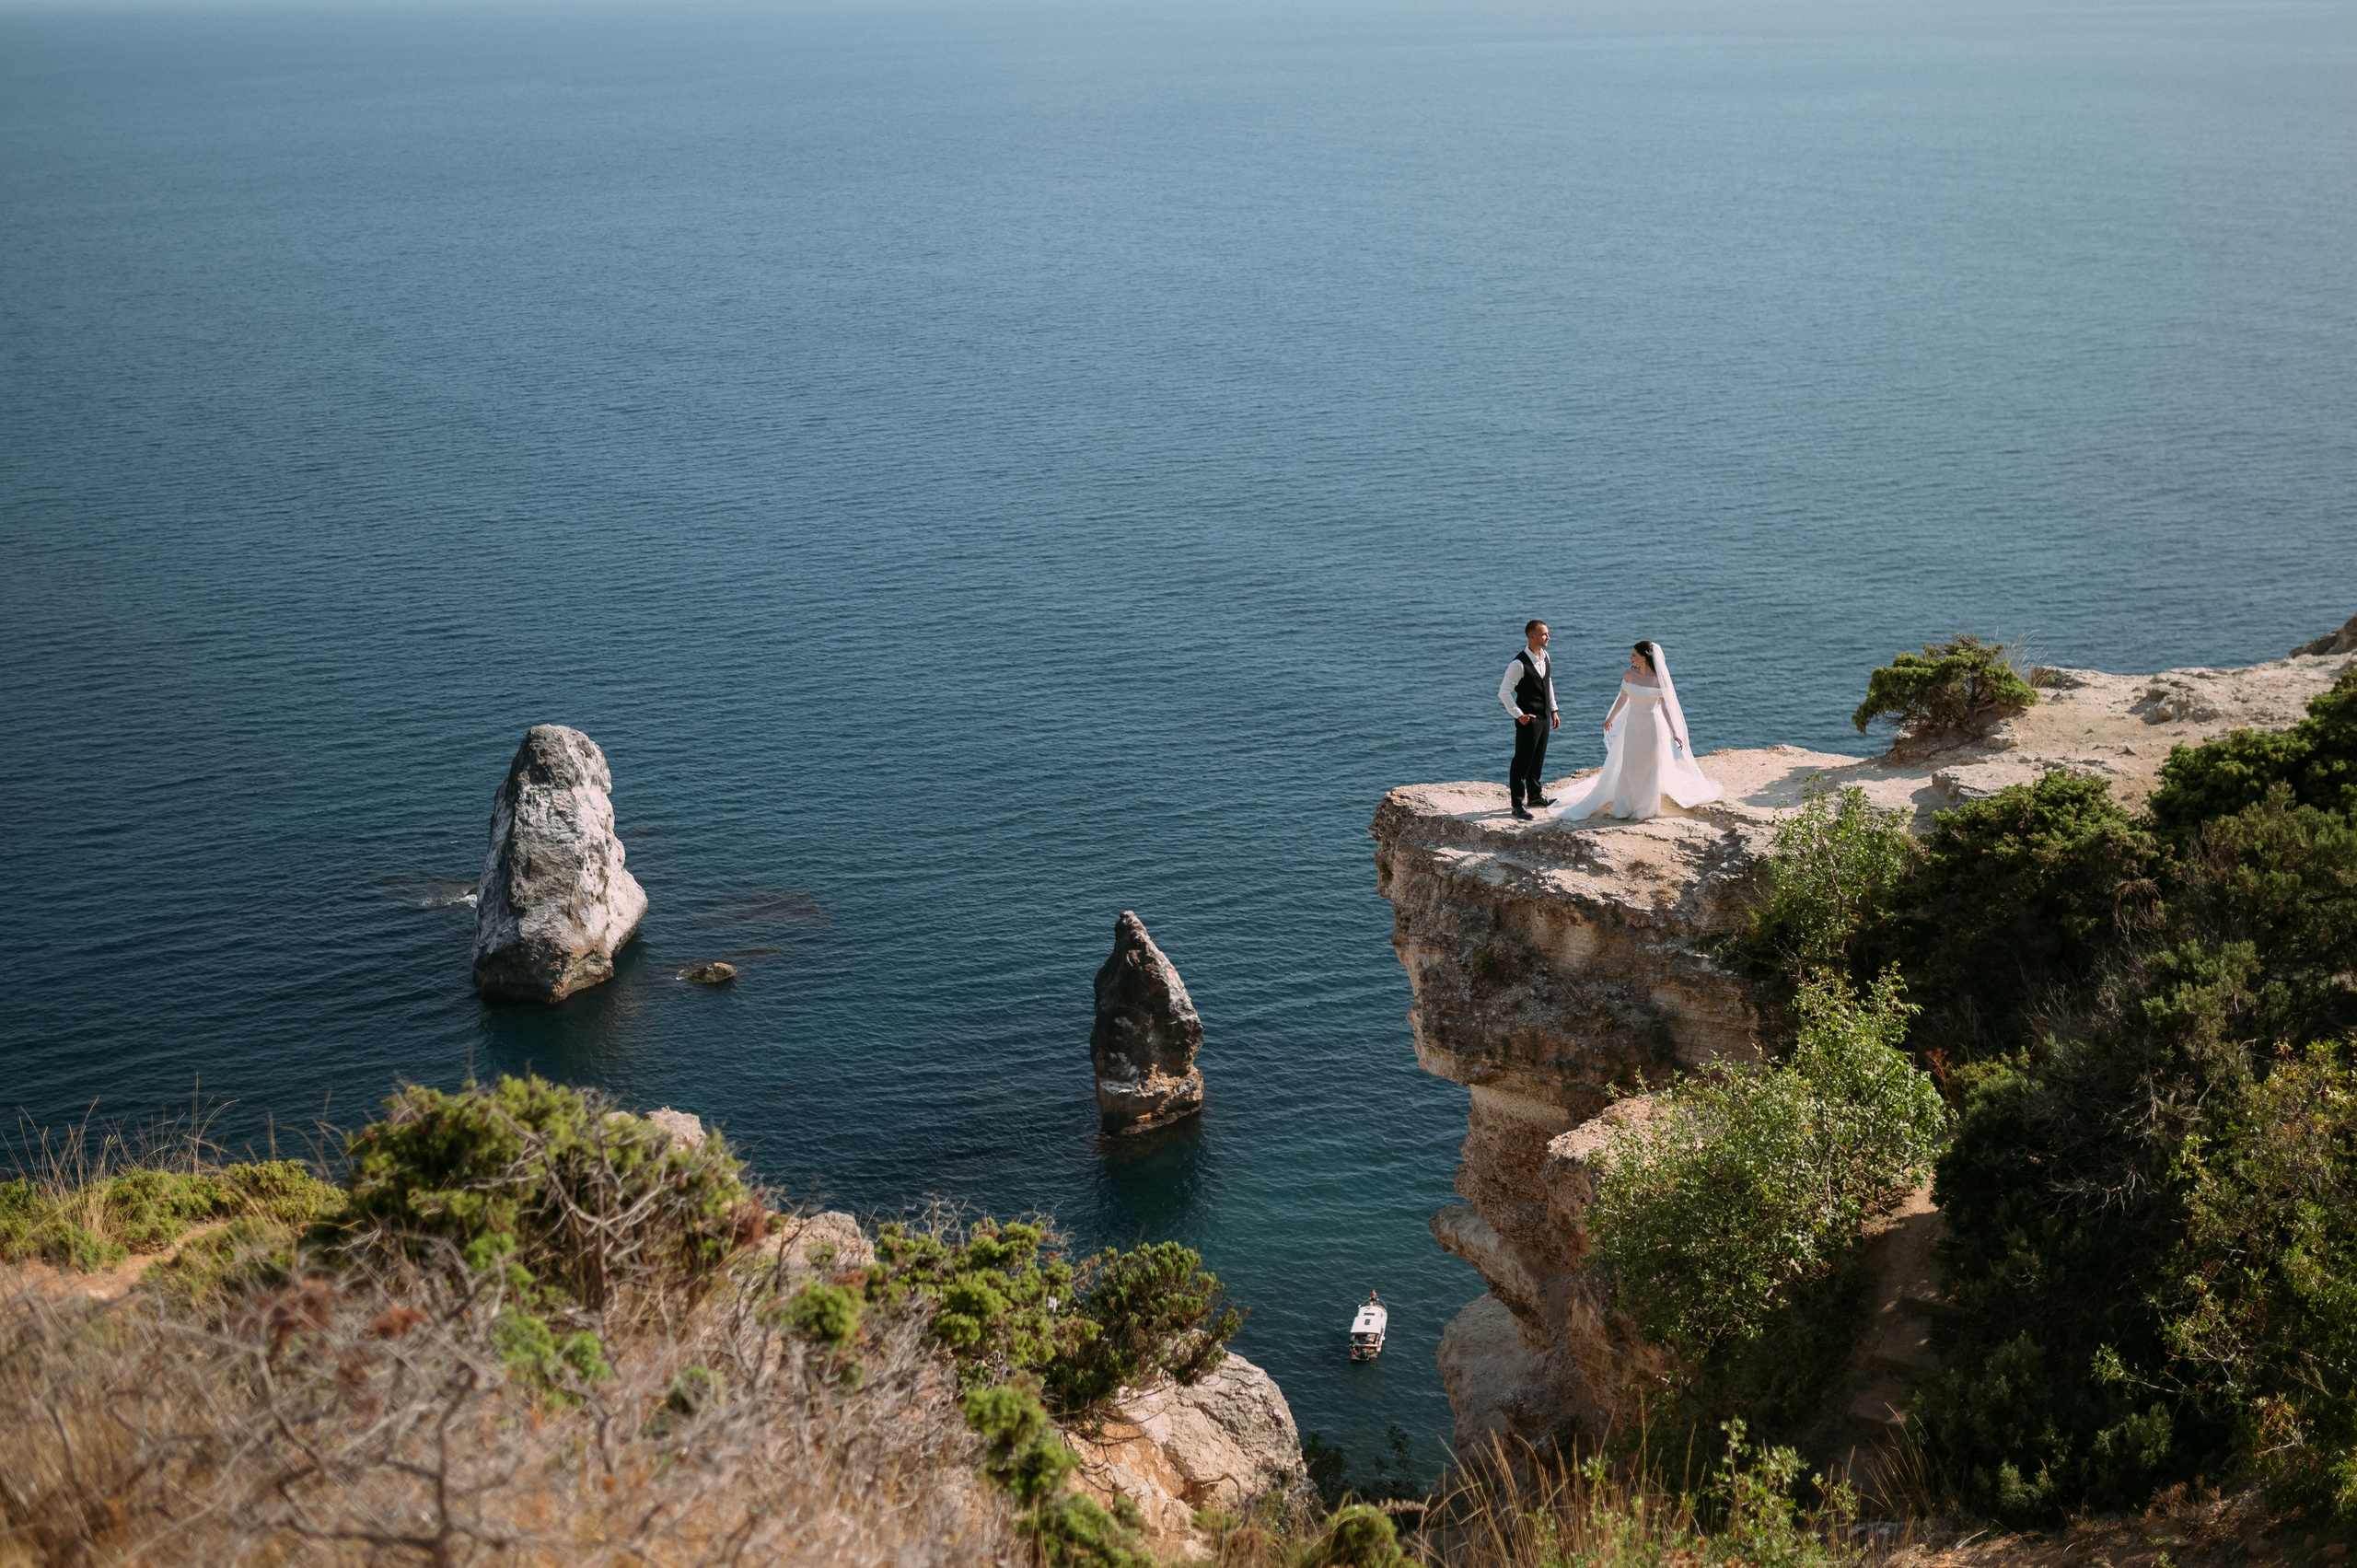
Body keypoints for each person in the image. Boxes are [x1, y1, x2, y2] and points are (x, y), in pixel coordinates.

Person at [1547, 641, 1723, 822]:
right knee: (1629, 764)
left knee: (1649, 766)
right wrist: (1611, 718)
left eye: (1634, 655)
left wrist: (1675, 732)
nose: (1630, 658)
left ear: (1644, 658)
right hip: (1632, 723)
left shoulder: (1659, 681)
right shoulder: (1629, 674)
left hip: (1652, 726)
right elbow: (1623, 697)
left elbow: (1666, 709)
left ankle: (1644, 808)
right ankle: (1624, 807)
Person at [1499, 620, 1561, 819]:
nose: (1548, 637)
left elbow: (1547, 683)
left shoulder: (1545, 656)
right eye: (1544, 634)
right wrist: (1519, 715)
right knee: (1522, 761)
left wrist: (1553, 710)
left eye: (1547, 633)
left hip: (1543, 717)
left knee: (1538, 757)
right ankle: (1517, 804)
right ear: (1531, 636)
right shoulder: (1519, 664)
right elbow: (1504, 692)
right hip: (1528, 719)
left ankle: (1535, 795)